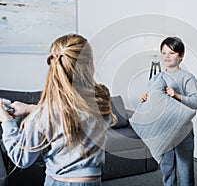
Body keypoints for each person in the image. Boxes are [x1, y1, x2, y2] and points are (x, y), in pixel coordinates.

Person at [0, 34, 116, 186]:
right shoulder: (101, 100)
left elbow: (21, 158)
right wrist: (30, 108)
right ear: (89, 64)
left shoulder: (45, 114)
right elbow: (75, 113)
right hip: (93, 182)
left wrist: (6, 120)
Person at [140, 37, 197, 186]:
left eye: (171, 53)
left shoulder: (187, 77)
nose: (167, 56)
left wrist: (177, 96)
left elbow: (196, 102)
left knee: (185, 172)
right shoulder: (156, 78)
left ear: (181, 55)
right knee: (167, 171)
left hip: (183, 132)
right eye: (164, 52)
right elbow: (153, 107)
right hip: (163, 131)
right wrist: (145, 99)